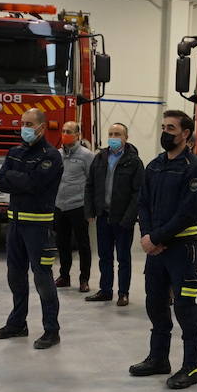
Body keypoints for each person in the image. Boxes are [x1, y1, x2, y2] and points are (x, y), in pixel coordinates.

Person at [129, 110, 197, 389]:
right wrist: (147, 235)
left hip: (182, 252)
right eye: (163, 127)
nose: (166, 132)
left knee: (186, 308)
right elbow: (143, 203)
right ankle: (158, 358)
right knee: (155, 304)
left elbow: (188, 213)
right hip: (157, 251)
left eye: (171, 128)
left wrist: (157, 238)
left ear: (185, 133)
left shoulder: (196, 168)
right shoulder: (154, 166)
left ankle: (191, 367)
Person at [0, 108, 64, 348]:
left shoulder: (50, 156)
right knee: (15, 276)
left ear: (41, 128)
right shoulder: (14, 152)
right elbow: (1, 181)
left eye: (29, 124)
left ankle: (51, 330)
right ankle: (17, 323)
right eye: (22, 123)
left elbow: (34, 184)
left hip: (39, 228)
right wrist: (19, 179)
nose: (24, 127)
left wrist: (17, 178)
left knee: (43, 279)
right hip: (16, 225)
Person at [85, 122, 144, 306]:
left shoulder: (134, 161)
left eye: (117, 134)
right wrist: (90, 210)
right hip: (103, 216)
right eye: (111, 133)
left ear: (126, 138)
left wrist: (129, 217)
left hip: (123, 218)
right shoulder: (100, 157)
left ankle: (123, 293)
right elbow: (90, 185)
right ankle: (105, 290)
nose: (113, 137)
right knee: (105, 256)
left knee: (123, 258)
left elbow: (139, 193)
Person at [54, 119, 95, 293]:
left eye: (69, 131)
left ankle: (84, 279)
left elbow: (93, 183)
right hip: (59, 206)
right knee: (62, 243)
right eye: (63, 131)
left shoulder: (87, 155)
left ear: (78, 135)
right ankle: (64, 276)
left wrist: (91, 208)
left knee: (83, 244)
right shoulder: (57, 154)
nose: (65, 134)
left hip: (78, 206)